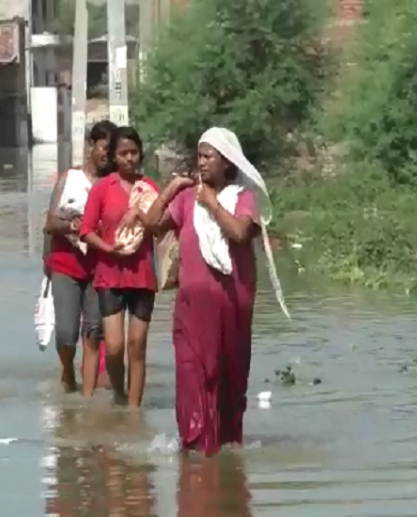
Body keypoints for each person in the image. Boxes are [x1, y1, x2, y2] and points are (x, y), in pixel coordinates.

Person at [140, 127, 289, 455]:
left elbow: (239, 233)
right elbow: (151, 225)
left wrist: (211, 203)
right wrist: (171, 188)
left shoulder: (242, 198)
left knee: (228, 378)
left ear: (227, 162)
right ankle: (194, 450)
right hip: (192, 306)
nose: (202, 163)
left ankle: (225, 448)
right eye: (200, 156)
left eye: (209, 156)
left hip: (232, 305)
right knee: (192, 375)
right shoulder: (185, 198)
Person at [79, 126, 158, 407]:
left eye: (134, 152)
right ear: (113, 157)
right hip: (110, 274)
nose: (129, 158)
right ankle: (119, 392)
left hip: (143, 275)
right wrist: (107, 248)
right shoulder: (102, 189)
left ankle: (134, 412)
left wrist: (139, 212)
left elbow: (160, 226)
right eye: (123, 153)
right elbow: (86, 231)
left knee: (137, 346)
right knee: (113, 348)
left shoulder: (149, 190)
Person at [44, 120, 116, 394]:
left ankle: (87, 397)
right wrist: (73, 226)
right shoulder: (69, 179)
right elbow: (50, 223)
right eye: (103, 148)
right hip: (66, 262)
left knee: (94, 330)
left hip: (100, 265)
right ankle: (67, 371)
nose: (107, 156)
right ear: (91, 146)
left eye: (112, 151)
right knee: (66, 333)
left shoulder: (113, 185)